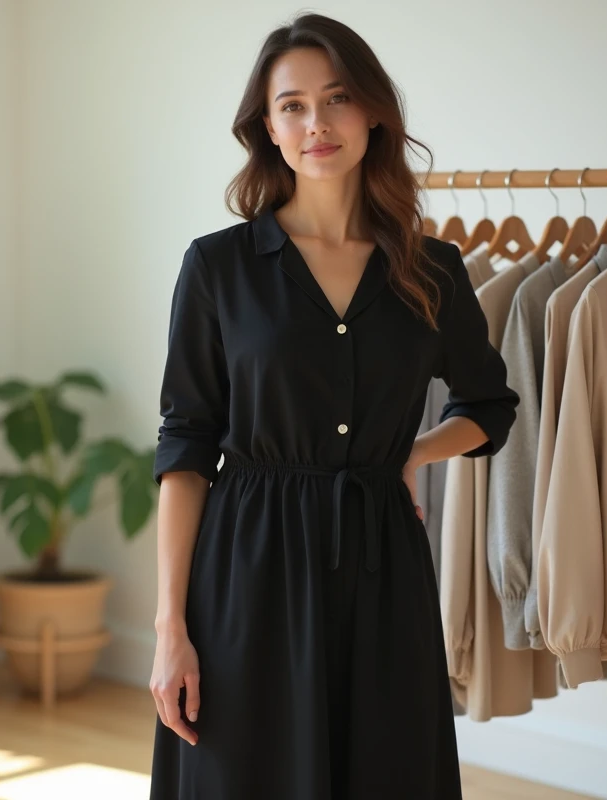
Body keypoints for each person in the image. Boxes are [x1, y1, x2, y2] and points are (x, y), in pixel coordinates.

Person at [146, 12, 519, 799]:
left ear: (374, 112)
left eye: (337, 99)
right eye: (293, 106)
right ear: (268, 127)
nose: (317, 124)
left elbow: (490, 406)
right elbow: (185, 443)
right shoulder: (220, 267)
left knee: (385, 773)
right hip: (248, 567)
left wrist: (407, 454)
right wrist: (170, 629)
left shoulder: (432, 270)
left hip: (382, 568)